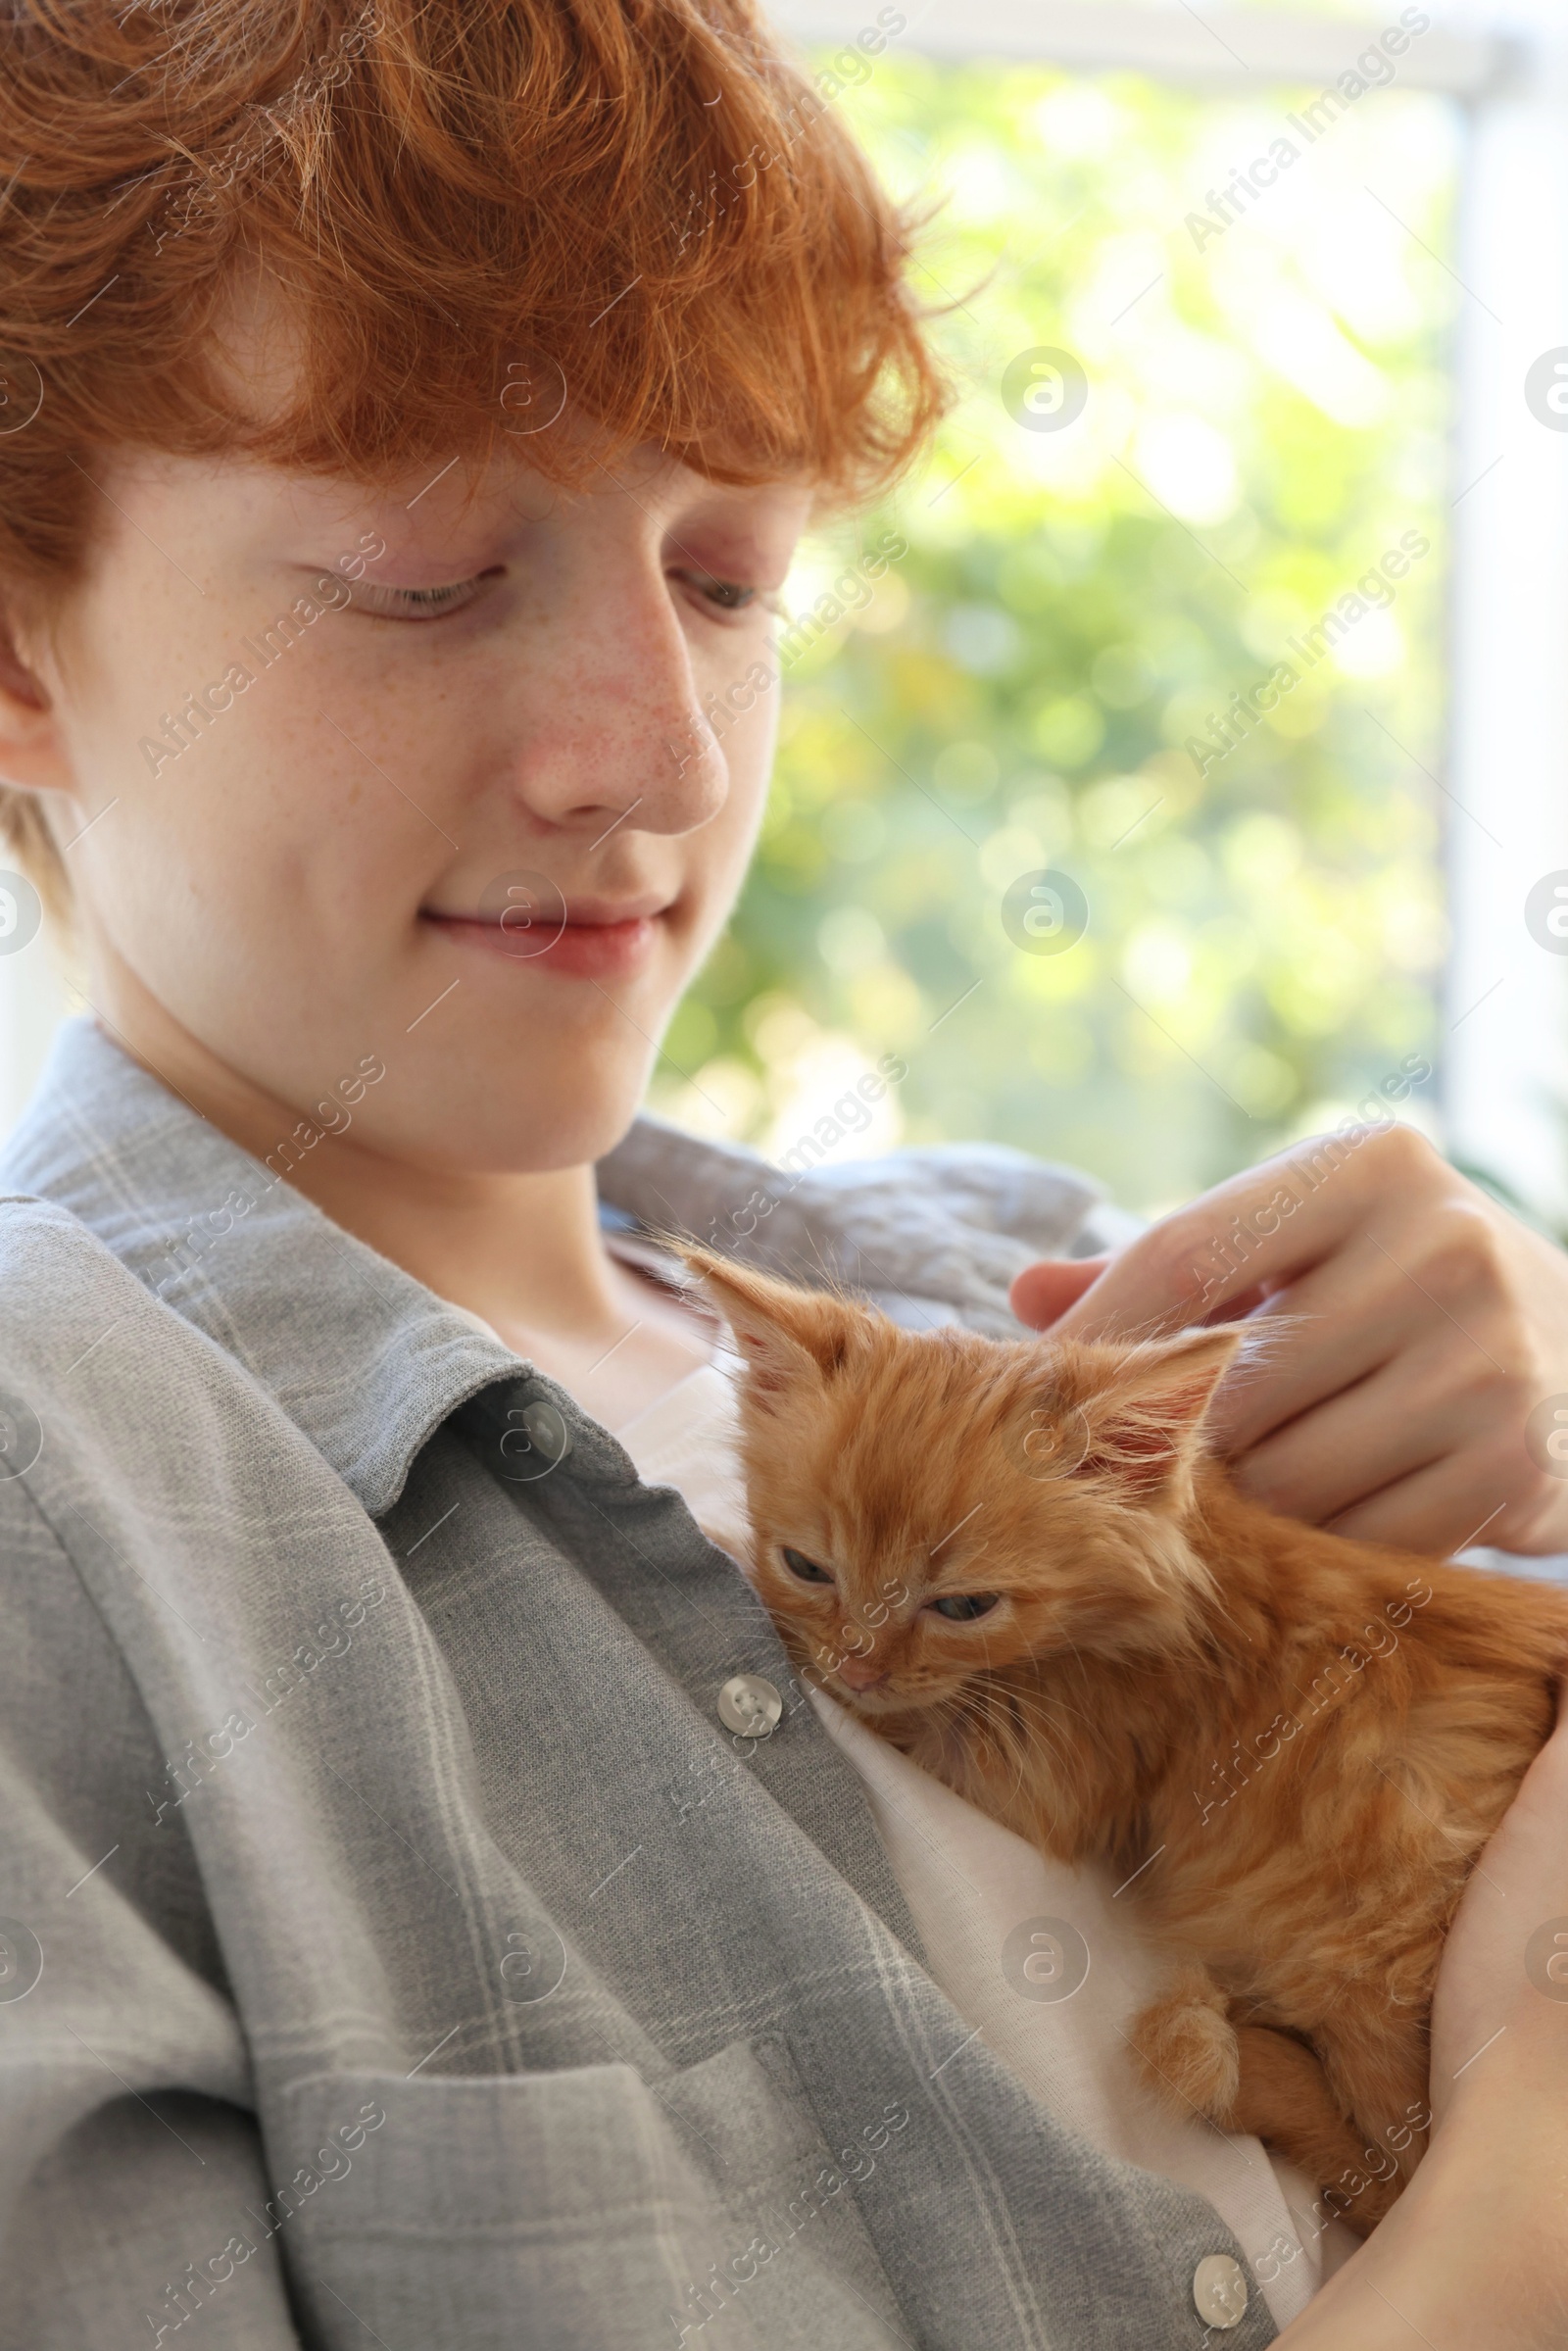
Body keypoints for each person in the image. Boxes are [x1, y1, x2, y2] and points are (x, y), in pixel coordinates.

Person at [0, 2, 1565, 2345]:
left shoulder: (1041, 1285)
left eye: (729, 578)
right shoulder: (79, 1539)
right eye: (427, 575)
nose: (652, 755)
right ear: (24, 640)